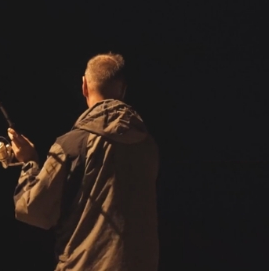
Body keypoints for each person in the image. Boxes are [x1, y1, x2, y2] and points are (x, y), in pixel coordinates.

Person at [8, 52, 159, 271]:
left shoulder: (72, 144)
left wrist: (29, 162)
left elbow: (33, 210)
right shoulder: (147, 145)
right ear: (123, 89)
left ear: (84, 86)